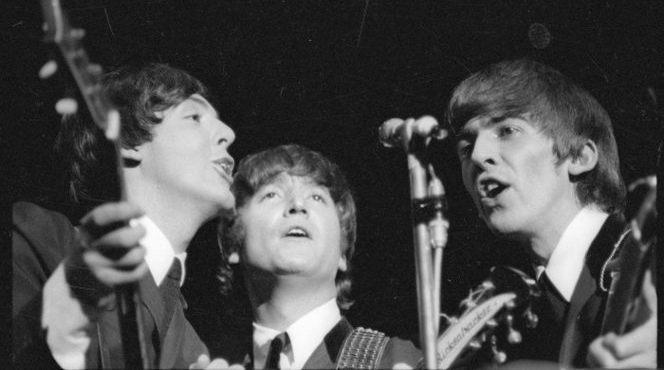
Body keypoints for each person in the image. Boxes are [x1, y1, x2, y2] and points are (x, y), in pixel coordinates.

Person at [12, 62, 236, 369]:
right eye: (194, 118)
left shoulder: (193, 350)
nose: (229, 133)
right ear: (128, 141)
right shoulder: (36, 238)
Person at [445, 58, 657, 368]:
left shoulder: (649, 264)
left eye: (507, 131)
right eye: (466, 146)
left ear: (580, 156)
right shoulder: (508, 321)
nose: (478, 156)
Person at [216, 144, 422, 369]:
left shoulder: (402, 361)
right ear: (232, 243)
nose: (297, 205)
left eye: (316, 197)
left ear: (343, 252)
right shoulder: (201, 361)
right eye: (272, 194)